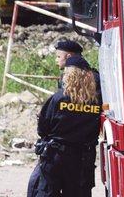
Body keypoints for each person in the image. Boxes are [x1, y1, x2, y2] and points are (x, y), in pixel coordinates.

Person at [27, 55, 101, 197]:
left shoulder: (58, 98)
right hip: (80, 158)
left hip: (55, 156)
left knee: (47, 192)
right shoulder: (95, 103)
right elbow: (95, 131)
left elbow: (43, 127)